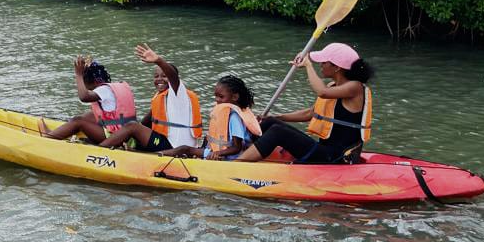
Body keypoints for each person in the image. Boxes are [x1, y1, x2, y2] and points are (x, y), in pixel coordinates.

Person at [235, 42, 373, 164]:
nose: (321, 65)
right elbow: (311, 113)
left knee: (278, 132)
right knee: (270, 122)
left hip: (337, 156)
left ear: (337, 67)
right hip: (325, 149)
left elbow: (322, 92)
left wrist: (308, 65)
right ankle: (236, 150)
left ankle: (235, 165)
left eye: (324, 62)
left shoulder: (355, 87)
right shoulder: (334, 86)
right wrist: (278, 117)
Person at [98, 44, 202, 154]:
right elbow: (145, 122)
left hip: (175, 146)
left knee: (132, 126)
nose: (159, 79)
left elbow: (173, 77)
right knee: (133, 127)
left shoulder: (178, 93)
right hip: (165, 141)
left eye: (164, 76)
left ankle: (96, 151)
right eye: (156, 76)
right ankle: (124, 149)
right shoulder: (162, 97)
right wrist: (128, 134)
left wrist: (158, 60)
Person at [37, 57, 137, 143]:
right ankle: (54, 134)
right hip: (127, 135)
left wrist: (79, 75)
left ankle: (47, 139)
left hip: (118, 137)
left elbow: (84, 97)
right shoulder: (112, 88)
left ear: (93, 81)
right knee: (87, 115)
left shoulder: (103, 90)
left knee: (78, 122)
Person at [164, 76, 260, 160]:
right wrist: (202, 151)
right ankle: (157, 156)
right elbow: (210, 136)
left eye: (221, 97)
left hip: (228, 156)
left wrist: (217, 154)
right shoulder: (221, 113)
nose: (217, 100)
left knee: (184, 149)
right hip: (215, 150)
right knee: (185, 150)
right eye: (216, 96)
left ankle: (154, 157)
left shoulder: (234, 118)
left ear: (235, 97)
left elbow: (237, 147)